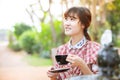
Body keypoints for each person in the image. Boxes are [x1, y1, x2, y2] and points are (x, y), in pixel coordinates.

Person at [47, 6, 101, 80]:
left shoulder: (96, 49)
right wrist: (53, 77)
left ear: (83, 24)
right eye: (66, 19)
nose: (66, 23)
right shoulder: (61, 50)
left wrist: (82, 65)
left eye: (72, 19)